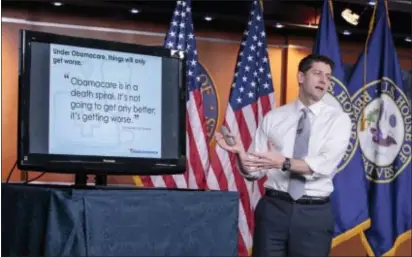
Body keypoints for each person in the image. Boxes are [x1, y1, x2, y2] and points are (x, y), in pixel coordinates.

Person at [215, 54, 352, 257]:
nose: (324, 80)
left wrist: (283, 163)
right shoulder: (275, 117)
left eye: (328, 76)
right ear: (301, 77)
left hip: (313, 213)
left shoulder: (339, 120)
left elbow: (322, 165)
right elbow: (254, 171)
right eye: (317, 73)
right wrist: (241, 154)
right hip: (273, 210)